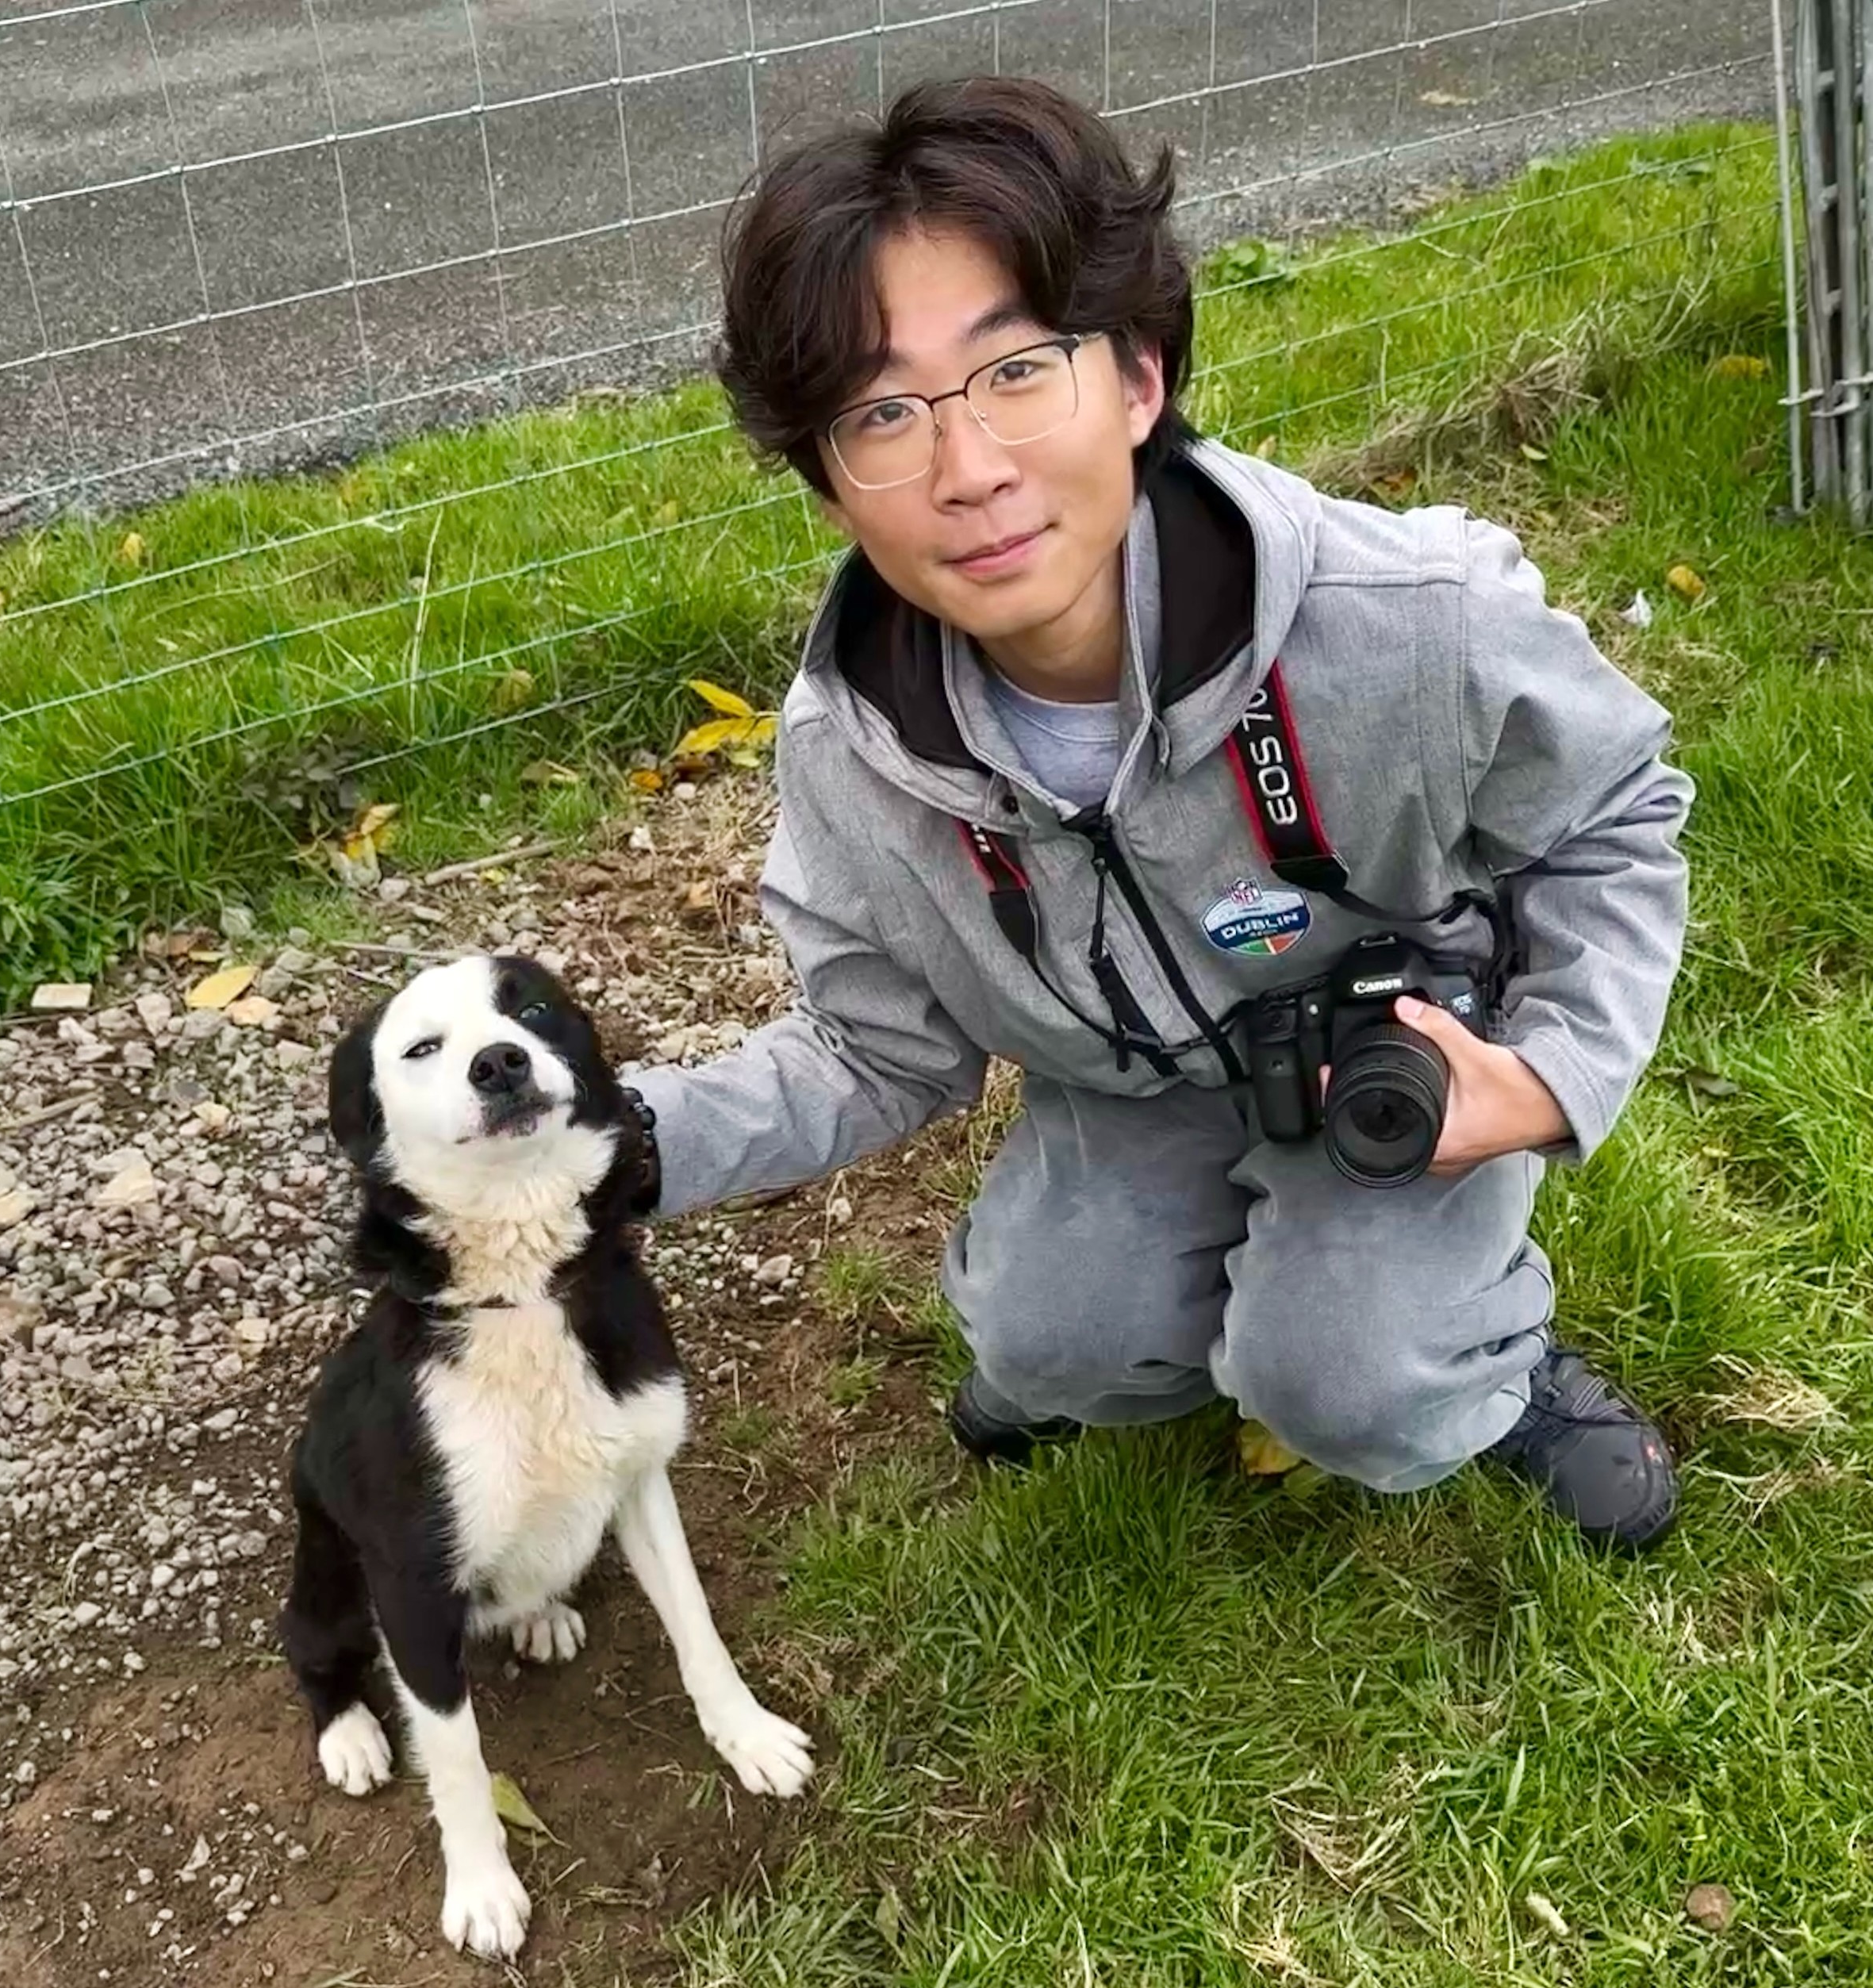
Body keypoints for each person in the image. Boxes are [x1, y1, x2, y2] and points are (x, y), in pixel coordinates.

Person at [623, 75, 1692, 1552]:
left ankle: (1484, 1375)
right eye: (881, 413)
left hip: (1392, 1055)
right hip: (1123, 1078)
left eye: (1016, 370)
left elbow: (1614, 810)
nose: (968, 470)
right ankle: (1136, 1325)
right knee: (1045, 1342)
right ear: (824, 480)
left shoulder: (1404, 622)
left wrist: (1553, 1072)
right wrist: (617, 1141)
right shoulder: (851, 754)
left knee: (1350, 1379)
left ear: (1135, 380)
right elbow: (878, 1049)